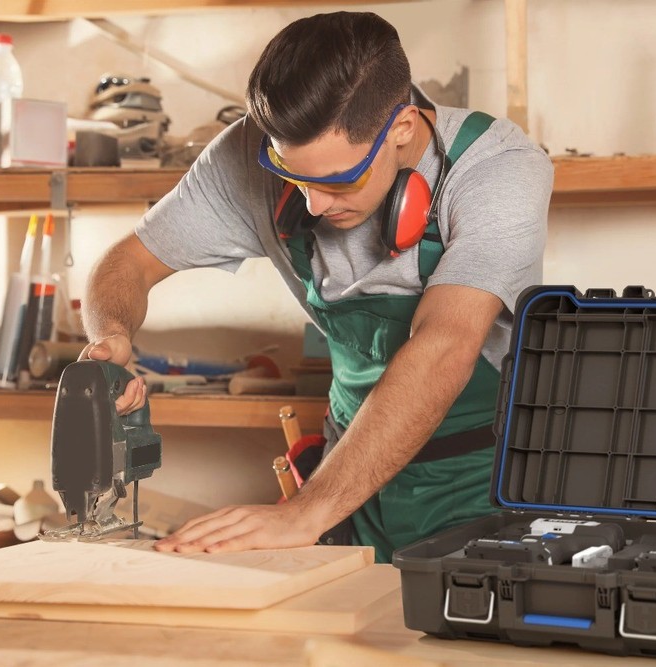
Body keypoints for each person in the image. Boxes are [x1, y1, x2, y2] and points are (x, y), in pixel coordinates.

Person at [80, 11, 552, 563]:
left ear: (402, 128)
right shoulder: (249, 153)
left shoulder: (497, 169)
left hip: (482, 489)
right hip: (347, 481)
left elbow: (444, 346)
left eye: (338, 180)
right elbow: (127, 262)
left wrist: (303, 514)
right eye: (293, 177)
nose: (314, 205)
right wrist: (111, 335)